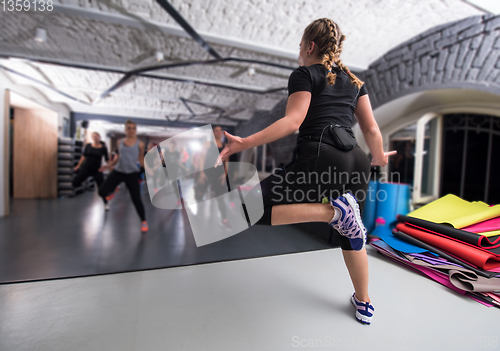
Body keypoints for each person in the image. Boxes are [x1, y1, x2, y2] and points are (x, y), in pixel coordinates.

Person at [217, 18, 396, 325]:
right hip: (357, 159)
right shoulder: (355, 82)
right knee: (352, 234)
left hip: (322, 153)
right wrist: (378, 156)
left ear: (311, 46)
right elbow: (371, 129)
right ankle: (364, 302)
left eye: (300, 46)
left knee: (241, 209)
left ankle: (332, 213)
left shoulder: (305, 73)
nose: (299, 52)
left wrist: (243, 142)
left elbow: (292, 122)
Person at [99, 119, 149, 233]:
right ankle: (112, 191)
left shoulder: (140, 144)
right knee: (101, 191)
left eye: (134, 128)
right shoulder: (119, 141)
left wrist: (148, 169)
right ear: (125, 129)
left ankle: (143, 221)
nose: (131, 130)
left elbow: (141, 159)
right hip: (118, 171)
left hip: (132, 173)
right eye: (129, 128)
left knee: (136, 199)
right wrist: (108, 165)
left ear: (136, 130)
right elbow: (118, 157)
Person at [72, 131, 110, 206]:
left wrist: (109, 167)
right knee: (75, 182)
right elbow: (83, 157)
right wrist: (78, 166)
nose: (94, 138)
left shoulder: (103, 148)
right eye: (93, 137)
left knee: (102, 188)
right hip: (86, 168)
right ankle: (83, 182)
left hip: (97, 170)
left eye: (96, 136)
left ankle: (106, 203)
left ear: (99, 138)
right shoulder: (88, 146)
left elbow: (107, 160)